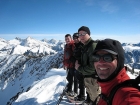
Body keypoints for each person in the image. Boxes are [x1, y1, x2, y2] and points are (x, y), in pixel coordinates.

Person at [93, 39, 140, 105]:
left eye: (107, 57)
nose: (100, 62)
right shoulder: (107, 89)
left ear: (119, 61)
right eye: (96, 57)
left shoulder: (127, 95)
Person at [75, 26, 100, 104]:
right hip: (88, 79)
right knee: (93, 100)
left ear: (89, 34)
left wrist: (79, 68)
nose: (81, 36)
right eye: (79, 34)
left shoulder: (92, 46)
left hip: (93, 80)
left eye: (83, 33)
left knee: (96, 100)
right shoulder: (85, 46)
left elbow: (93, 67)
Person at [72, 33, 85, 101]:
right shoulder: (76, 46)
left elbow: (82, 56)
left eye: (76, 38)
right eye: (74, 38)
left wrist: (77, 60)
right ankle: (81, 95)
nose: (75, 39)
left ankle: (82, 96)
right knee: (79, 80)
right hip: (77, 66)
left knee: (81, 81)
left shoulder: (81, 45)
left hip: (80, 66)